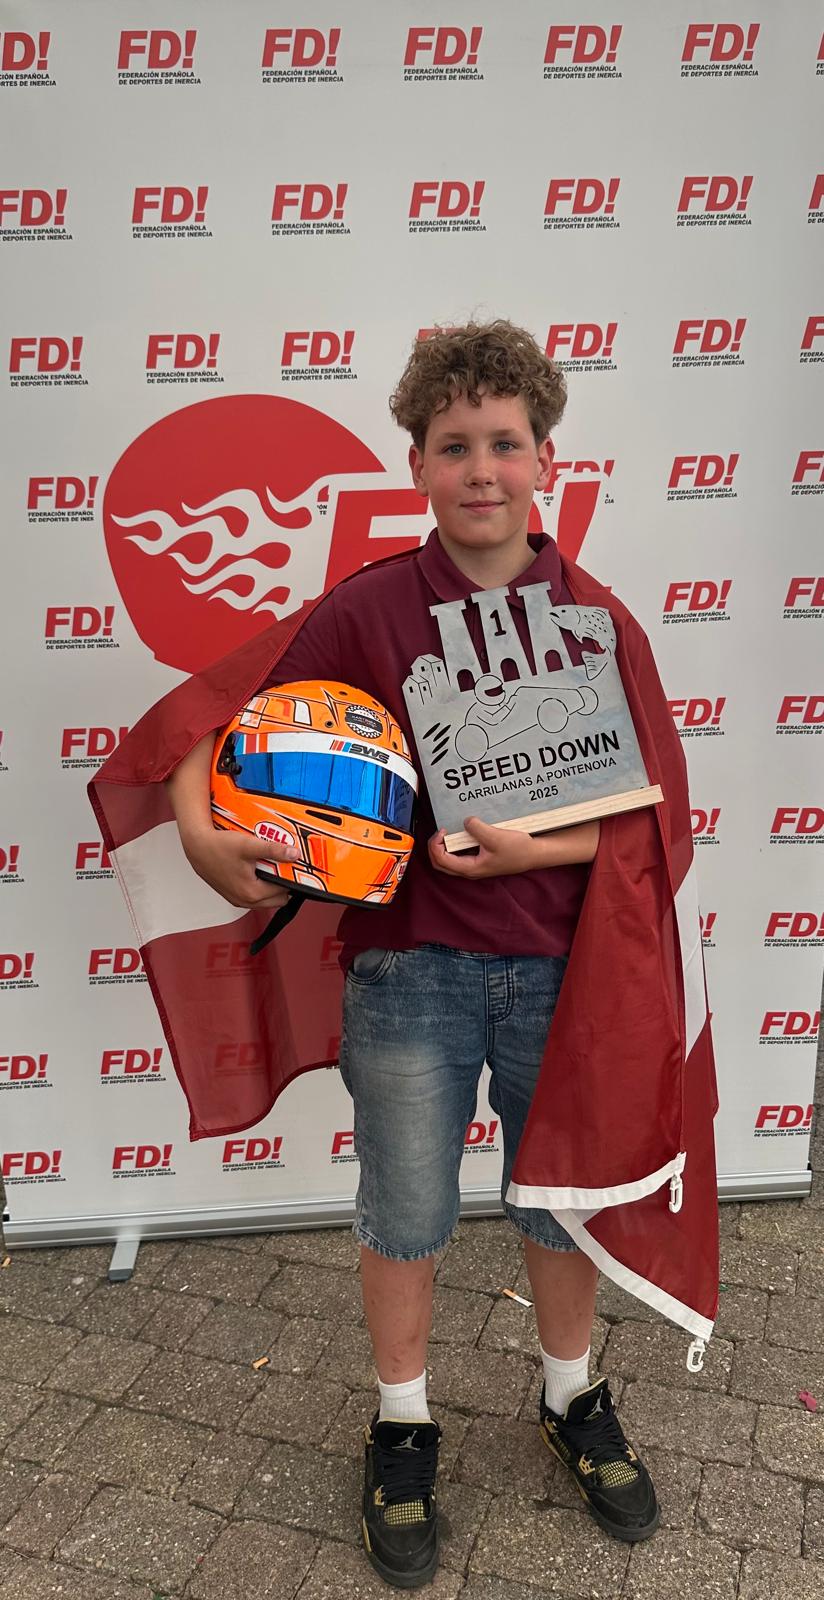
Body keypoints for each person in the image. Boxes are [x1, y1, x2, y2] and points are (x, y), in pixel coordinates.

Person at [163, 322, 667, 1586]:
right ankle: (401, 1423)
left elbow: (647, 818)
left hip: (560, 973)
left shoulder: (593, 620)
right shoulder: (367, 607)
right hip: (408, 971)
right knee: (403, 1212)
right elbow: (217, 733)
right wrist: (205, 836)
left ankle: (569, 1395)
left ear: (546, 459)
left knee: (559, 1200)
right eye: (453, 446)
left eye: (503, 443)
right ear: (416, 464)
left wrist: (531, 851)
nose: (479, 468)